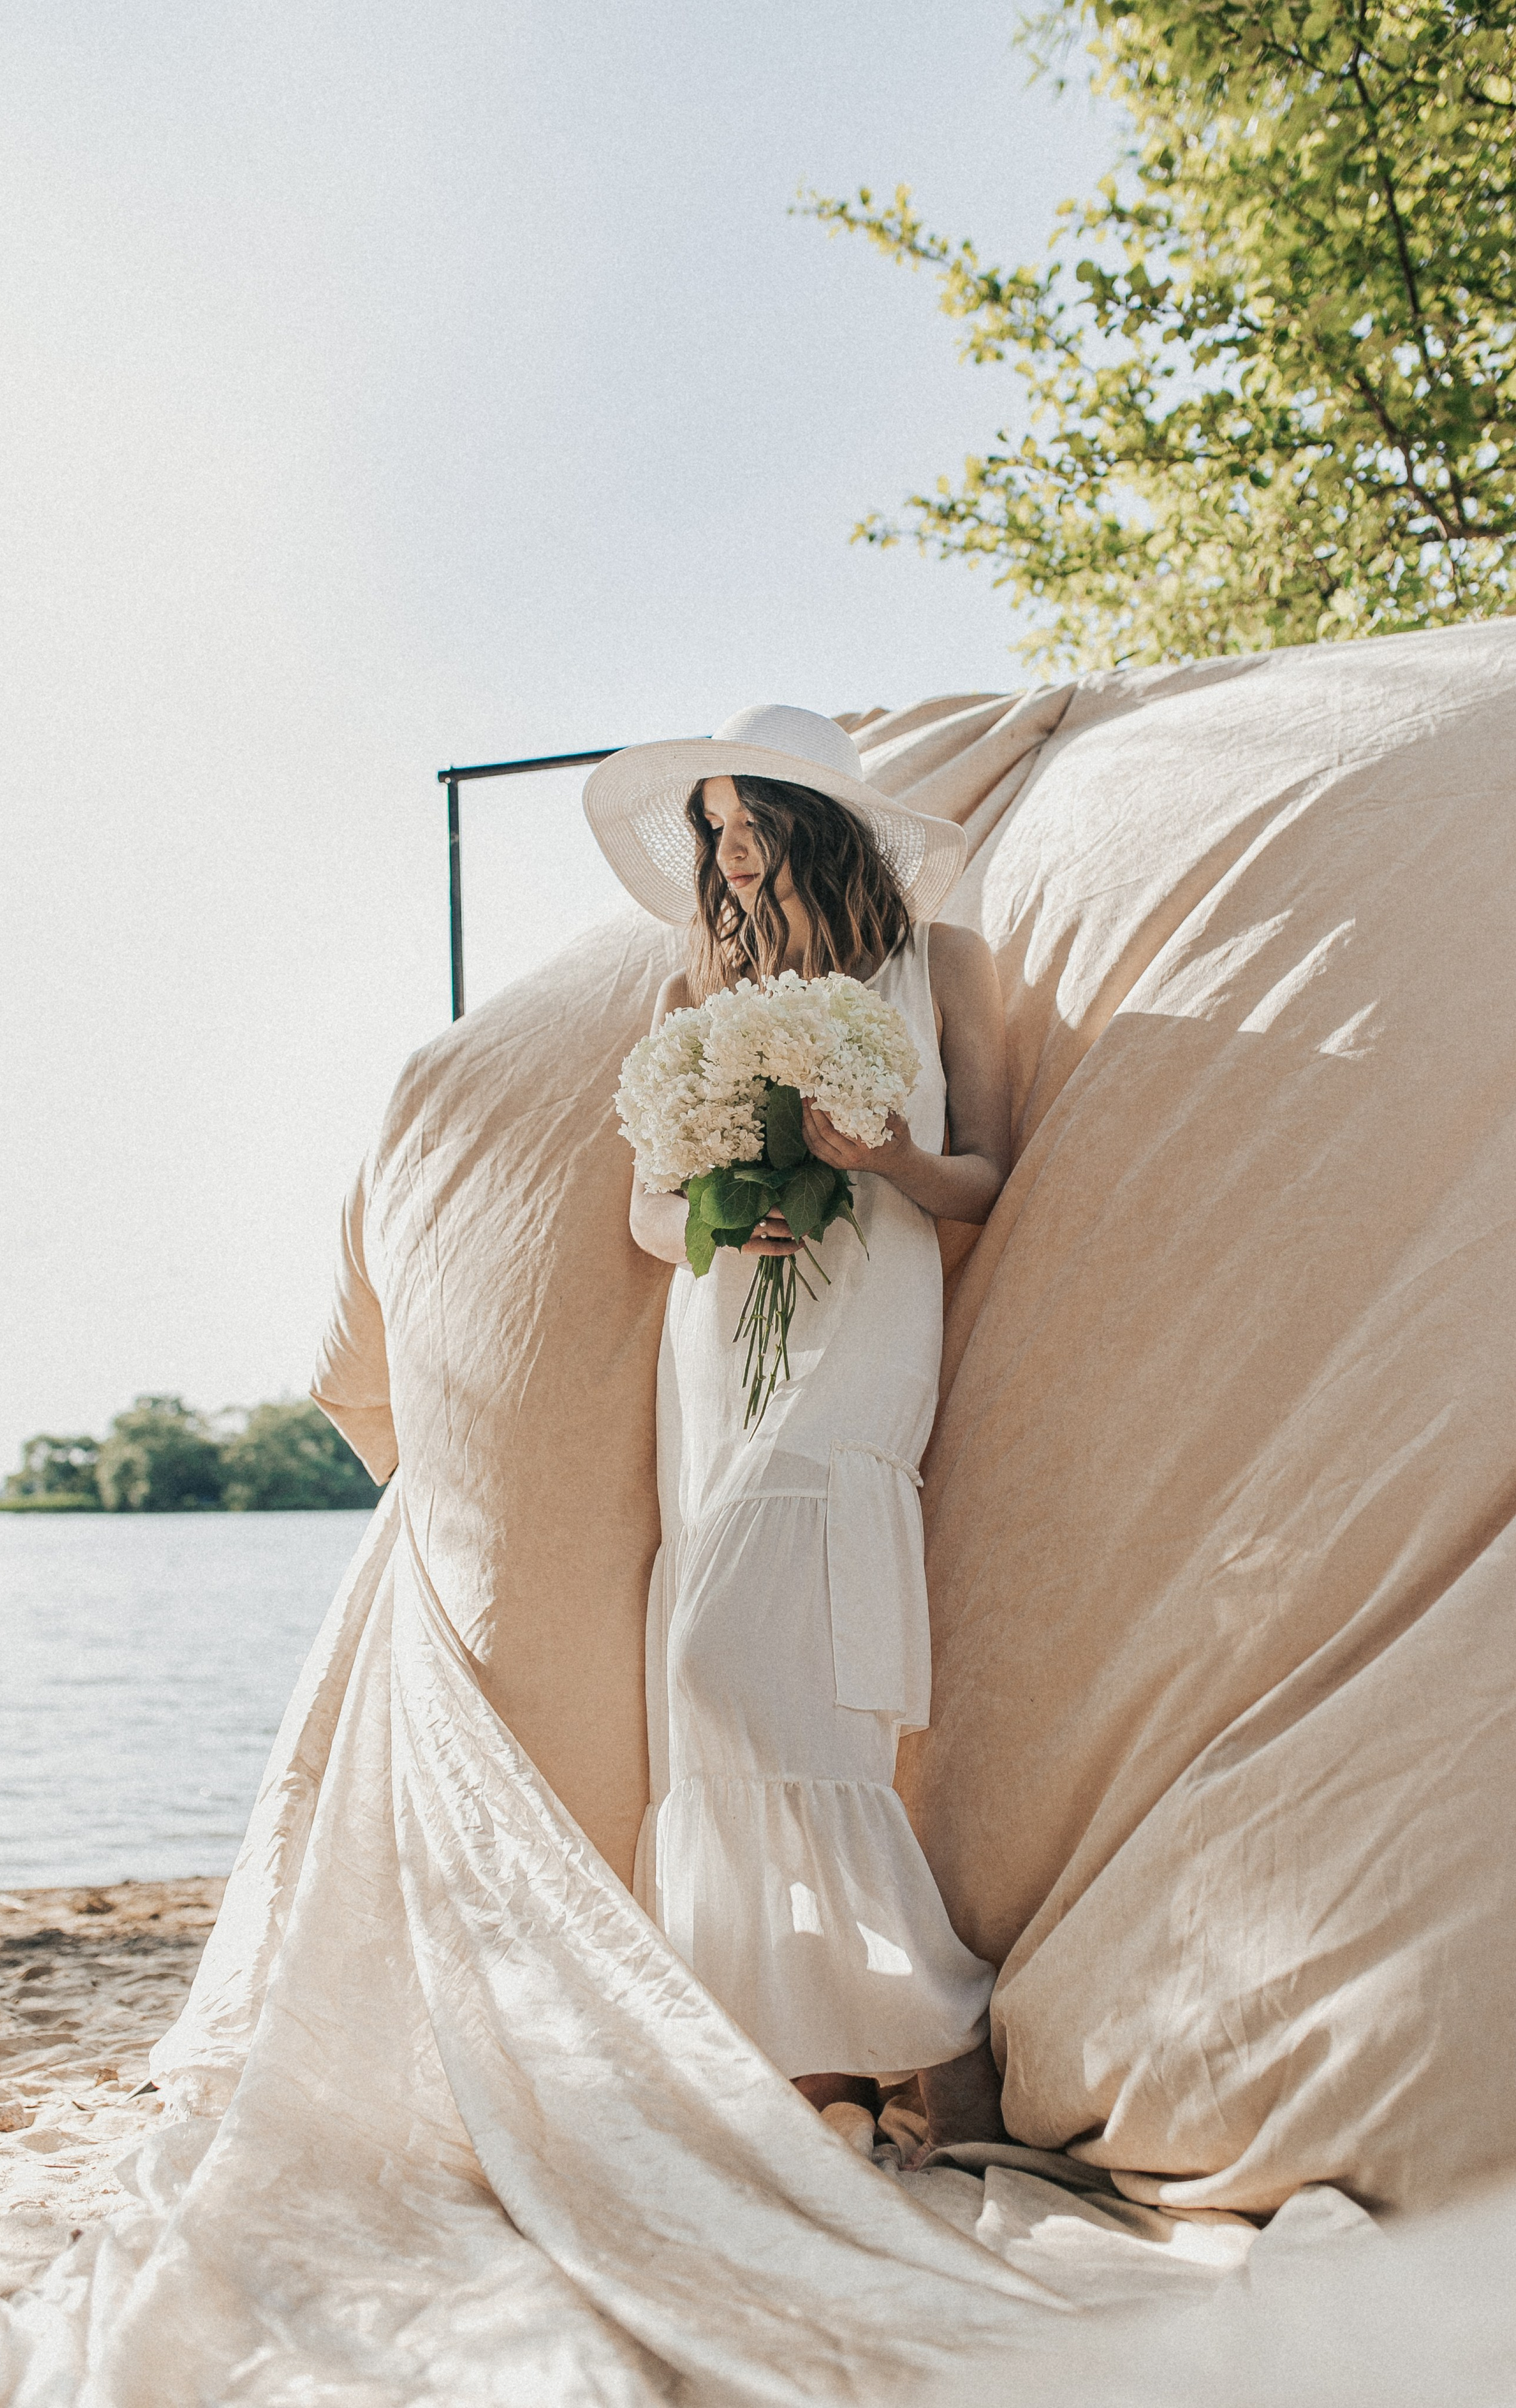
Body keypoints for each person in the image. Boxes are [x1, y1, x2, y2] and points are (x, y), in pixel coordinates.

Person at [583, 703, 1013, 2148]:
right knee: (720, 1673)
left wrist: (886, 1156)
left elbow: (985, 1182)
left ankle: (924, 2023)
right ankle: (809, 2066)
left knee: (742, 1644)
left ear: (816, 820)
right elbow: (649, 1215)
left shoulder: (943, 965)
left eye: (747, 819)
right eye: (710, 827)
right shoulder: (692, 987)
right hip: (723, 1329)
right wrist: (723, 1205)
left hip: (869, 1305)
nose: (729, 849)